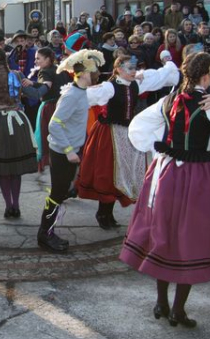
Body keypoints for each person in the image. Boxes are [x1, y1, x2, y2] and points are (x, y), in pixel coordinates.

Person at [121, 52, 210, 328]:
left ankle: (162, 302)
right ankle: (177, 310)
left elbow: (139, 127)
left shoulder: (168, 100)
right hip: (197, 178)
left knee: (164, 235)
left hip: (166, 172)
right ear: (207, 75)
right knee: (191, 241)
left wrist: (160, 149)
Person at [77, 54, 179, 228]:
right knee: (109, 174)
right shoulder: (108, 87)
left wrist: (169, 64)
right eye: (129, 68)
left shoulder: (136, 84)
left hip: (128, 133)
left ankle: (108, 213)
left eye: (134, 67)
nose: (134, 71)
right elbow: (81, 98)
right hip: (109, 134)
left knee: (124, 174)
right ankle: (103, 213)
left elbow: (160, 76)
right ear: (118, 69)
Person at [39, 49, 105, 252]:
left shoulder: (81, 92)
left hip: (70, 151)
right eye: (94, 71)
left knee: (60, 193)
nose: (97, 75)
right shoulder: (72, 95)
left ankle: (48, 232)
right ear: (84, 73)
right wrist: (69, 150)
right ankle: (45, 235)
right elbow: (54, 125)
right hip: (62, 153)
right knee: (57, 195)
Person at [0, 47, 37, 217]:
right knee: (15, 167)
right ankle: (16, 205)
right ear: (5, 58)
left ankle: (8, 205)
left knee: (2, 167)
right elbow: (32, 93)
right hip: (17, 120)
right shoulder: (17, 75)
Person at [21, 48, 71, 175]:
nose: (36, 61)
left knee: (46, 135)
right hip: (64, 106)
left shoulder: (45, 72)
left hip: (50, 107)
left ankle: (50, 161)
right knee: (63, 134)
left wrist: (31, 84)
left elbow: (46, 86)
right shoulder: (60, 69)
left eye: (38, 58)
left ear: (47, 59)